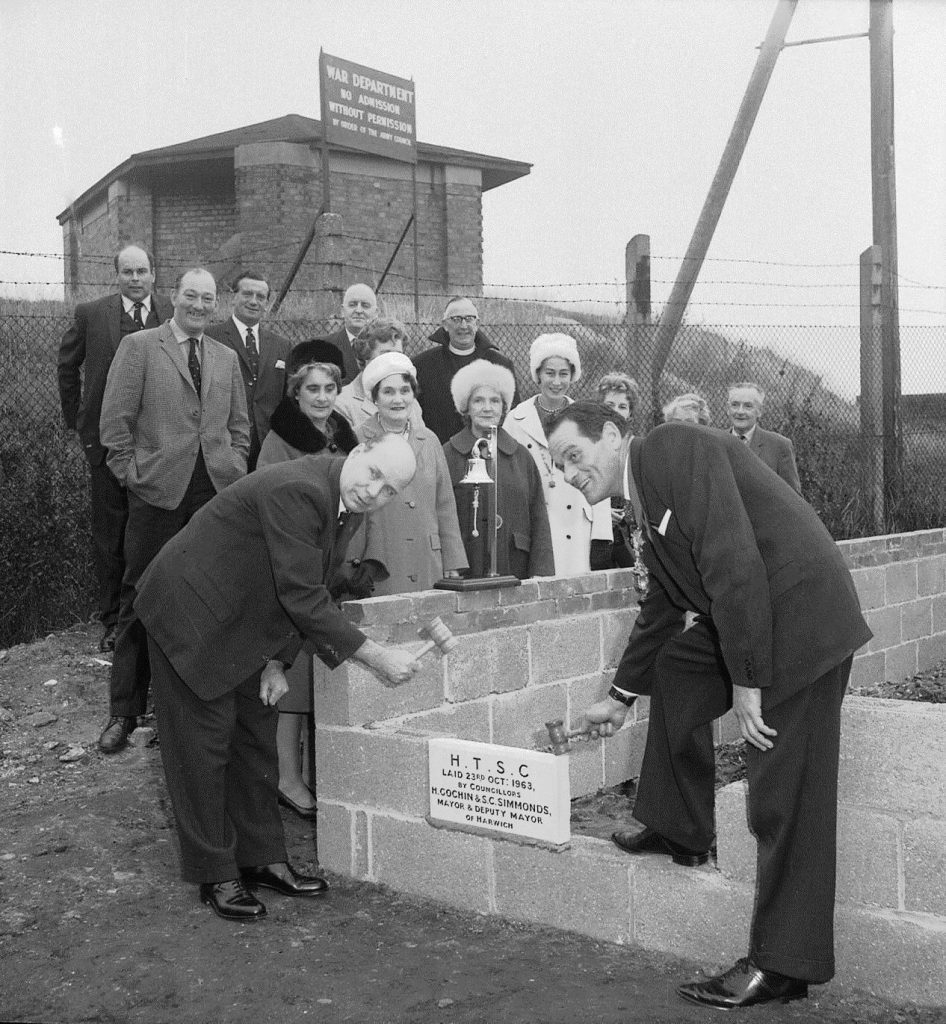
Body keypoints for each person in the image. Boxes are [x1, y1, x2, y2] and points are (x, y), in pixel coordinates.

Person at [546, 402, 871, 1010]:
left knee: (784, 793)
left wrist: (748, 682)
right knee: (678, 668)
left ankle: (783, 966)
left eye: (574, 455)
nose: (568, 473)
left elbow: (733, 559)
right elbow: (666, 605)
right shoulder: (636, 499)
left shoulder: (673, 448)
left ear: (612, 436)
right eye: (558, 466)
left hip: (800, 623)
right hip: (752, 620)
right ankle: (679, 825)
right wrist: (619, 697)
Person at [134, 434, 420, 921]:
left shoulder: (343, 502)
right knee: (201, 750)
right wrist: (375, 656)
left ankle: (261, 858)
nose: (376, 493)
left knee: (255, 741)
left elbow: (313, 581)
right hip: (189, 615)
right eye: (374, 475)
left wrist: (278, 661)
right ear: (359, 451)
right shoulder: (300, 488)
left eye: (390, 490)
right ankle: (216, 872)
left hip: (243, 622)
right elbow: (303, 594)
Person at [97, 268, 250, 754]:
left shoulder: (226, 357)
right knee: (141, 595)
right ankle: (125, 710)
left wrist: (234, 464)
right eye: (191, 296)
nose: (200, 306)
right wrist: (136, 476)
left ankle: (184, 712)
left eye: (208, 298)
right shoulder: (141, 347)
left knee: (206, 599)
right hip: (158, 493)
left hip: (215, 492)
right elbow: (114, 425)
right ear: (174, 296)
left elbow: (239, 427)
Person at [256, 338, 359, 819]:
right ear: (296, 395)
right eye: (312, 389)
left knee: (322, 680)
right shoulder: (279, 442)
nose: (321, 397)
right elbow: (269, 504)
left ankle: (321, 775)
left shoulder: (346, 436)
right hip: (296, 567)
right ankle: (288, 778)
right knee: (292, 679)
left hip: (335, 567)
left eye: (330, 388)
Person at [57, 245, 172, 653]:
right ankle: (111, 621)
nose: (136, 279)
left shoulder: (171, 311)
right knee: (111, 533)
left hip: (157, 443)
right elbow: (67, 365)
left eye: (142, 271)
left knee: (156, 530)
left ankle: (157, 614)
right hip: (106, 442)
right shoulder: (92, 314)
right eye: (128, 272)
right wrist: (78, 420)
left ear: (154, 274)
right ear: (116, 275)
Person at [354, 352, 467, 593]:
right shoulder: (359, 440)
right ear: (374, 397)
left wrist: (453, 561)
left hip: (427, 560)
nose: (398, 399)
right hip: (381, 562)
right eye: (388, 392)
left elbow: (444, 504)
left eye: (405, 391)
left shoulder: (429, 440)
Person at [503, 334, 611, 575]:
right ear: (537, 374)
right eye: (549, 373)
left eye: (563, 373)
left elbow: (601, 478)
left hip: (577, 528)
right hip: (536, 527)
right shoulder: (515, 420)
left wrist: (602, 537)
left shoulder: (588, 420)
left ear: (572, 376)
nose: (556, 381)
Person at [444, 360, 553, 580]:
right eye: (478, 400)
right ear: (466, 406)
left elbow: (539, 517)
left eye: (495, 400)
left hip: (514, 566)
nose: (487, 407)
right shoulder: (448, 455)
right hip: (465, 568)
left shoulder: (521, 456)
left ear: (504, 407)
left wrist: (542, 573)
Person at [206, 269, 292, 470]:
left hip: (268, 448)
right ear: (233, 298)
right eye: (247, 294)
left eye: (260, 297)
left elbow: (287, 398)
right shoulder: (211, 338)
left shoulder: (281, 345)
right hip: (224, 445)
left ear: (266, 304)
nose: (254, 301)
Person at [413, 296, 519, 444]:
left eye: (469, 319)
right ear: (445, 324)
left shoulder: (500, 365)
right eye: (456, 319)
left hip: (489, 450)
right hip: (441, 451)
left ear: (477, 323)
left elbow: (511, 415)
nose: (463, 326)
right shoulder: (422, 365)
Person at [334, 317, 420, 432]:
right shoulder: (342, 404)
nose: (393, 362)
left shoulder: (410, 402)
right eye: (386, 355)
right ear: (365, 356)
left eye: (398, 355)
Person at [596, 372, 641, 570]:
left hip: (629, 540)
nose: (616, 411)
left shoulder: (636, 448)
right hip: (595, 541)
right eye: (610, 405)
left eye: (622, 407)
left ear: (630, 414)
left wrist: (627, 514)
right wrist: (600, 514)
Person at [727, 382, 801, 492]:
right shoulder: (715, 441)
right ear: (728, 409)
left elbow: (793, 497)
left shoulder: (779, 446)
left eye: (748, 406)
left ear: (759, 411)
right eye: (735, 405)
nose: (740, 411)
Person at [318, 283, 377, 384]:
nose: (358, 310)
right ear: (342, 310)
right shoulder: (322, 347)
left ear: (376, 313)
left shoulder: (385, 348)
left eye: (365, 305)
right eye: (352, 305)